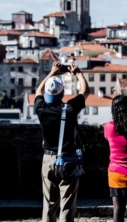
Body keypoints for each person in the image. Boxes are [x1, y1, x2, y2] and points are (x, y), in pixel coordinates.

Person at [35, 61, 89, 222]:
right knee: (67, 203)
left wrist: (52, 73)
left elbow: (38, 90)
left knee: (48, 203)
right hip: (68, 159)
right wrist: (77, 73)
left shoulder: (41, 109)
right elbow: (86, 91)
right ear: (62, 94)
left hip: (48, 159)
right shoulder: (70, 109)